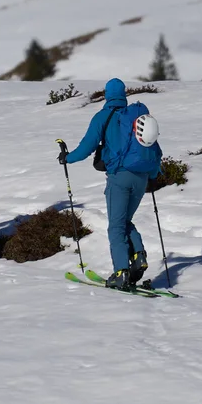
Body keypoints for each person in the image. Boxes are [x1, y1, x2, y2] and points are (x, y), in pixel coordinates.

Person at [58, 77, 156, 290]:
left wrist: (67, 158)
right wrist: (155, 173)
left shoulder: (104, 116)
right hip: (141, 177)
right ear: (124, 94)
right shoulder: (137, 117)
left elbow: (87, 146)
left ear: (107, 95)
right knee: (125, 221)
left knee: (116, 226)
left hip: (119, 177)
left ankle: (121, 272)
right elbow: (153, 147)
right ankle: (138, 256)